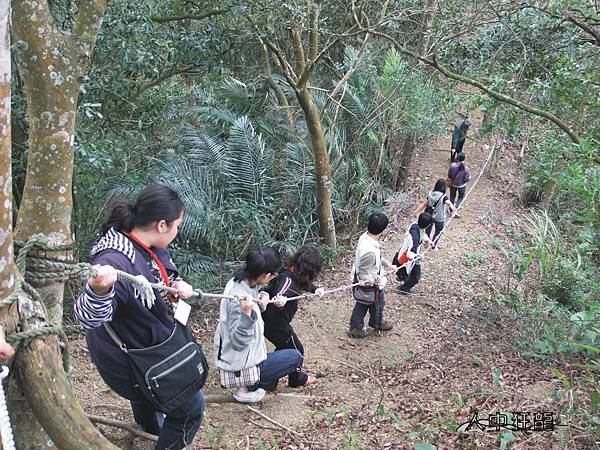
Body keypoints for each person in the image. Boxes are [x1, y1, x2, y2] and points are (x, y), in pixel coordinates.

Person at [74, 185, 204, 450]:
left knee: (149, 400)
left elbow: (160, 274)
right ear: (162, 225)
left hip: (142, 353)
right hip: (128, 364)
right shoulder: (115, 261)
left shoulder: (146, 245)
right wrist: (98, 290)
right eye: (177, 226)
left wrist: (177, 284)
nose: (177, 232)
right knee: (192, 406)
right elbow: (86, 318)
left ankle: (152, 428)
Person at [214, 246, 306, 403]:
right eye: (274, 275)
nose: (274, 277)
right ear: (266, 274)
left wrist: (262, 297)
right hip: (241, 366)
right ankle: (248, 386)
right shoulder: (237, 298)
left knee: (279, 367)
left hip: (243, 358)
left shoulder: (241, 281)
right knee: (295, 356)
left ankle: (258, 382)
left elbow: (253, 297)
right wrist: (246, 315)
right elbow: (238, 342)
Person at [261, 246, 325, 387]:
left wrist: (315, 289)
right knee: (297, 350)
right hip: (275, 325)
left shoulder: (292, 271)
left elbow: (302, 282)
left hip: (271, 322)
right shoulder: (287, 280)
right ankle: (297, 379)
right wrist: (280, 299)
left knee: (284, 348)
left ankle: (269, 381)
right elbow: (283, 291)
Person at [348, 213, 396, 339]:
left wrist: (387, 265)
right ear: (382, 230)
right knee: (373, 303)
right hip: (369, 284)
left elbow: (377, 256)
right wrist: (374, 280)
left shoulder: (366, 237)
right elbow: (363, 273)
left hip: (368, 282)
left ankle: (368, 324)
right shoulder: (369, 251)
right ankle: (364, 326)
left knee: (366, 303)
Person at [394, 213, 435, 296]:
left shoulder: (414, 225)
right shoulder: (414, 239)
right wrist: (417, 256)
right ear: (427, 225)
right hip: (410, 257)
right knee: (416, 276)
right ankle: (403, 289)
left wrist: (428, 241)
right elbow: (409, 253)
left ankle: (401, 277)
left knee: (405, 269)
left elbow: (422, 234)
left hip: (406, 253)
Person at [414, 178, 458, 244]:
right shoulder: (443, 196)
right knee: (438, 232)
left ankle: (427, 242)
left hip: (429, 216)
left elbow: (425, 204)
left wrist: (416, 211)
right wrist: (454, 210)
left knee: (427, 230)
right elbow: (449, 203)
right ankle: (434, 243)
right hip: (439, 217)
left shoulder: (430, 194)